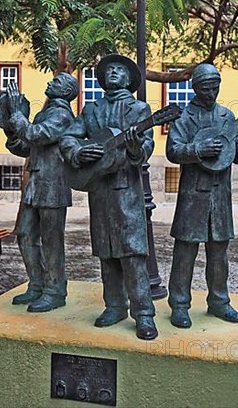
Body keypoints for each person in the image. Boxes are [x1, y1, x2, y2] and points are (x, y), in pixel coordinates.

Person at [60, 54, 158, 340]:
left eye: (120, 70)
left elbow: (147, 146)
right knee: (106, 252)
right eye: (109, 70)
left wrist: (136, 149)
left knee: (132, 254)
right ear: (103, 79)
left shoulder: (140, 109)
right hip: (99, 190)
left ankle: (144, 314)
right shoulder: (91, 110)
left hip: (127, 190)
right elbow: (69, 137)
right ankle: (114, 306)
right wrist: (77, 152)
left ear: (129, 79)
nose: (114, 73)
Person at [166, 63, 238, 328]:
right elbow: (173, 151)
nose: (212, 91)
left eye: (215, 86)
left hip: (219, 197)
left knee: (219, 253)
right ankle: (180, 304)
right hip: (193, 195)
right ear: (195, 88)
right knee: (184, 253)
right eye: (206, 87)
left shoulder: (227, 117)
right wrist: (197, 149)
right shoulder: (183, 118)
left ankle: (219, 301)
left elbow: (237, 154)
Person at [4, 73, 79, 312]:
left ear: (67, 91)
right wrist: (10, 129)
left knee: (51, 241)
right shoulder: (45, 114)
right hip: (36, 183)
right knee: (25, 234)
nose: (49, 83)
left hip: (53, 185)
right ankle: (36, 284)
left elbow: (38, 134)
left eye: (56, 82)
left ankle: (55, 290)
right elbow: (28, 146)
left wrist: (18, 115)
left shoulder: (62, 115)